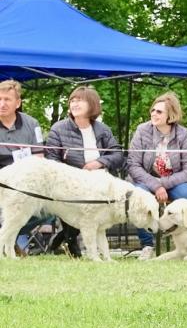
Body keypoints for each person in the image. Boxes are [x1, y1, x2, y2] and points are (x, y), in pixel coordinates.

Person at [44, 86, 125, 257]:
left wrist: (99, 162)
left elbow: (118, 156)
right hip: (70, 183)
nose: (74, 103)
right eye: (72, 100)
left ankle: (66, 238)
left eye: (80, 100)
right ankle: (69, 240)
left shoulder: (103, 130)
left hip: (99, 183)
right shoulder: (58, 129)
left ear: (92, 105)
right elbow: (52, 161)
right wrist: (74, 176)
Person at [127, 92, 187, 260]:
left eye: (159, 112)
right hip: (147, 180)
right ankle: (147, 245)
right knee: (137, 197)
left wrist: (163, 183)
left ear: (170, 115)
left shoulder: (183, 134)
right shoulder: (142, 130)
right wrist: (156, 185)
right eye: (153, 110)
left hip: (175, 180)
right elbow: (133, 165)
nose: (153, 114)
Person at [0, 80, 45, 256]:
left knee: (46, 214)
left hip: (25, 183)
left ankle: (9, 235)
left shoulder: (32, 124)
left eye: (7, 99)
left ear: (18, 103)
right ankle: (9, 243)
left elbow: (39, 158)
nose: (2, 104)